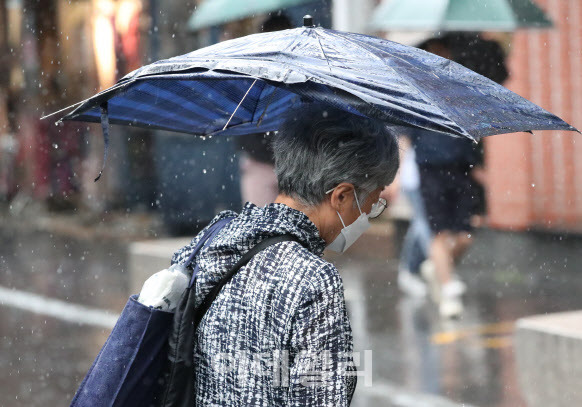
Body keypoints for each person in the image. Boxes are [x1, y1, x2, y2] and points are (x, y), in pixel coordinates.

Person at [171, 105, 399, 405]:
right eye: (372, 202)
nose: (370, 214)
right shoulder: (315, 280)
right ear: (341, 196)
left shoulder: (214, 237)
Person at [410, 37, 480, 318]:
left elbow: (475, 131)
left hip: (462, 171)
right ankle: (449, 291)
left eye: (443, 52)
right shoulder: (416, 94)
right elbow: (405, 135)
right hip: (432, 172)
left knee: (465, 235)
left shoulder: (461, 91)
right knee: (439, 235)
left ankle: (437, 267)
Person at [237, 13, 293, 206]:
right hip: (269, 163)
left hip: (289, 166)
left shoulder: (297, 76)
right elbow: (244, 132)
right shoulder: (253, 76)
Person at [396, 136, 432, 298]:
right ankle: (420, 267)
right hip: (413, 180)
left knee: (421, 223)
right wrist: (397, 176)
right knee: (422, 223)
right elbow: (404, 143)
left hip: (427, 179)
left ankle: (411, 269)